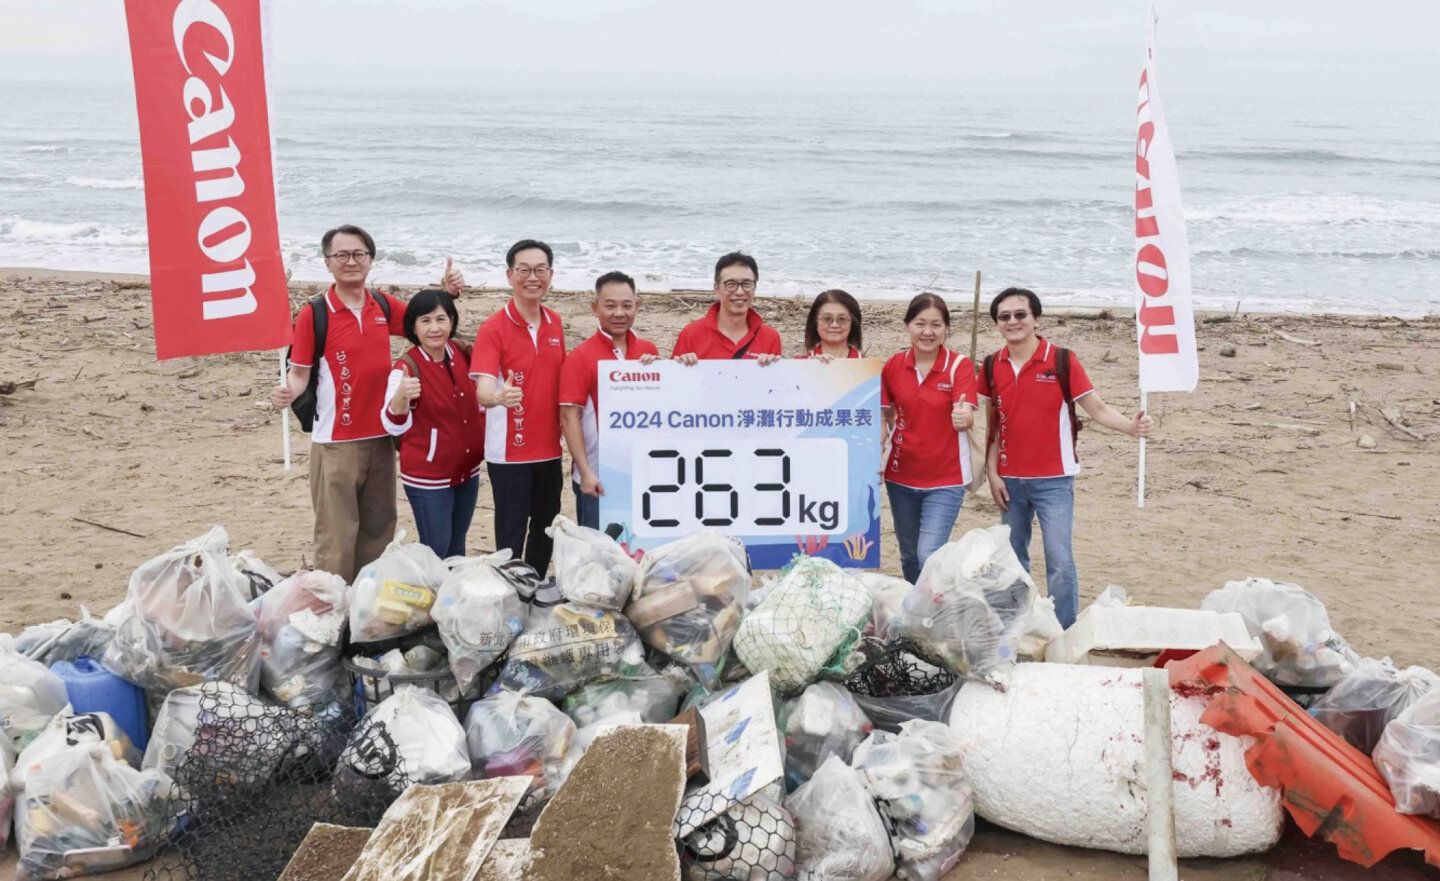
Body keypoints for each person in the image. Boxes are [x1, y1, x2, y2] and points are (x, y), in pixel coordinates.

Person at [271, 225, 464, 582]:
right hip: (336, 441)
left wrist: (445, 293)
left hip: (382, 436)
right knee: (336, 535)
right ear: (327, 263)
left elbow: (423, 320)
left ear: (371, 259)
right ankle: (334, 610)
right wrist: (286, 393)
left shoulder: (382, 304)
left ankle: (367, 606)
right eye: (341, 255)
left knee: (378, 530)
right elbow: (299, 374)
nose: (351, 261)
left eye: (359, 254)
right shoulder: (316, 314)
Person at [977, 286, 1153, 628]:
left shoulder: (1061, 360)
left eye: (1020, 315)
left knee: (1059, 559)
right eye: (1004, 317)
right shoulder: (990, 366)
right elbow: (992, 427)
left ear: (1035, 318)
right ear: (997, 324)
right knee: (1013, 558)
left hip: (1054, 480)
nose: (1013, 322)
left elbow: (1097, 408)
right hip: (1009, 480)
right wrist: (992, 472)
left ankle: (1064, 629)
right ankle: (1018, 625)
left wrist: (1130, 428)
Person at [470, 239, 567, 573]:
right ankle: (510, 594)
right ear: (510, 275)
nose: (533, 277)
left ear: (551, 275)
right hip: (509, 453)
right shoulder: (492, 328)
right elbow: (482, 391)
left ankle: (537, 589)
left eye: (540, 270)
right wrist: (499, 397)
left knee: (545, 529)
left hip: (550, 451)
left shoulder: (555, 322)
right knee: (510, 537)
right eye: (524, 270)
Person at [881, 293, 977, 583]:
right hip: (900, 477)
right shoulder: (894, 365)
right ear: (908, 325)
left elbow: (967, 410)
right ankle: (916, 613)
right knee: (909, 556)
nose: (927, 332)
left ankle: (933, 609)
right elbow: (883, 415)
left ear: (946, 328)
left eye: (936, 324)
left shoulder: (959, 365)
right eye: (920, 323)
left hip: (945, 480)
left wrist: (965, 418)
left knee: (929, 554)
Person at [381, 290, 484, 559]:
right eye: (425, 321)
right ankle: (432, 598)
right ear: (413, 327)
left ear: (452, 321)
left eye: (441, 319)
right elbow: (392, 424)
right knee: (436, 547)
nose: (435, 328)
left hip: (468, 470)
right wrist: (402, 395)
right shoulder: (406, 368)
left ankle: (452, 599)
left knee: (457, 545)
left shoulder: (463, 354)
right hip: (428, 477)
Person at [559, 271, 660, 529]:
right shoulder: (580, 357)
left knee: (638, 549)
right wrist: (585, 472)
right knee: (598, 554)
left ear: (637, 306)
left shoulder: (648, 351)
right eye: (610, 305)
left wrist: (658, 371)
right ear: (595, 308)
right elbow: (569, 417)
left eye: (627, 305)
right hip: (597, 475)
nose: (619, 313)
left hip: (642, 471)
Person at [672, 252, 783, 364]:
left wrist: (769, 368)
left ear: (755, 287)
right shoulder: (691, 334)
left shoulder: (770, 337)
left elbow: (775, 381)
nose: (740, 292)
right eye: (731, 284)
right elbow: (672, 379)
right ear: (716, 288)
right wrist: (684, 365)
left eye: (747, 284)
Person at [802, 289, 863, 359]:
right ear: (815, 322)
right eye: (827, 319)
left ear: (853, 324)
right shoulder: (797, 365)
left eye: (842, 319)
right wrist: (809, 366)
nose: (834, 325)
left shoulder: (870, 367)